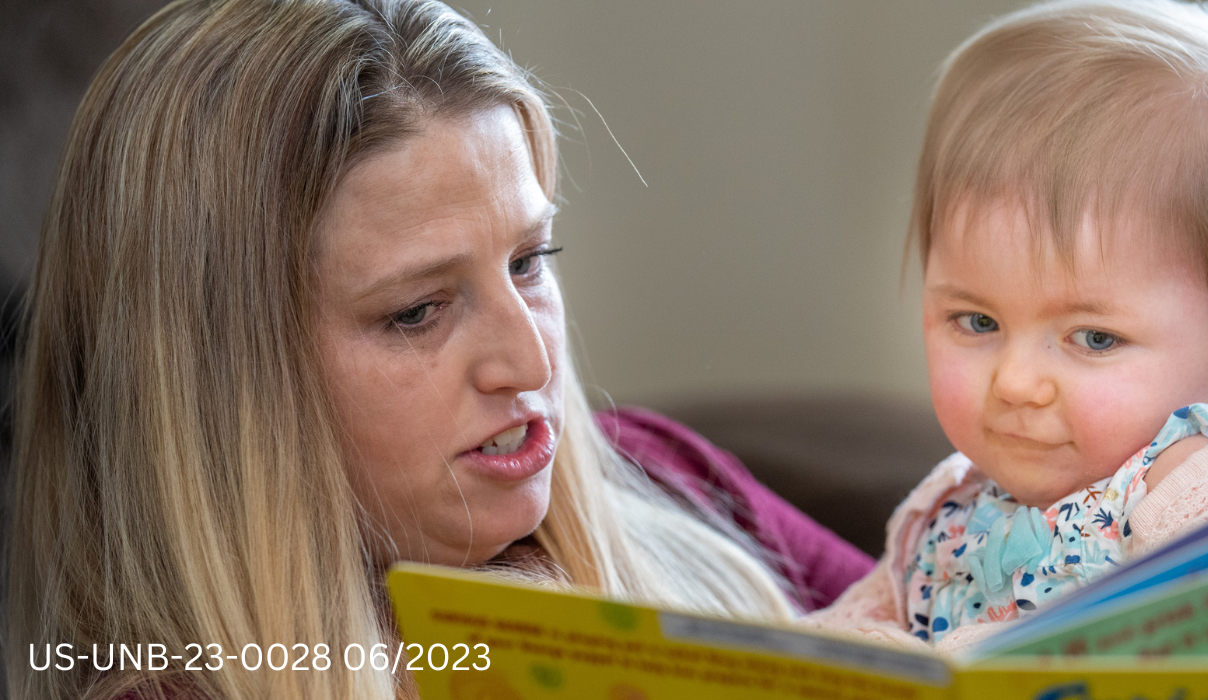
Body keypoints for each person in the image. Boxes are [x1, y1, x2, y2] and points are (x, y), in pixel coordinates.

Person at [4, 1, 872, 697]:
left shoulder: (664, 471)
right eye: (419, 311)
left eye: (530, 261)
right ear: (210, 385)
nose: (530, 365)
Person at [805, 0, 1208, 654]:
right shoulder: (943, 509)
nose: (1018, 383)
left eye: (1094, 338)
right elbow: (839, 637)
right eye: (977, 321)